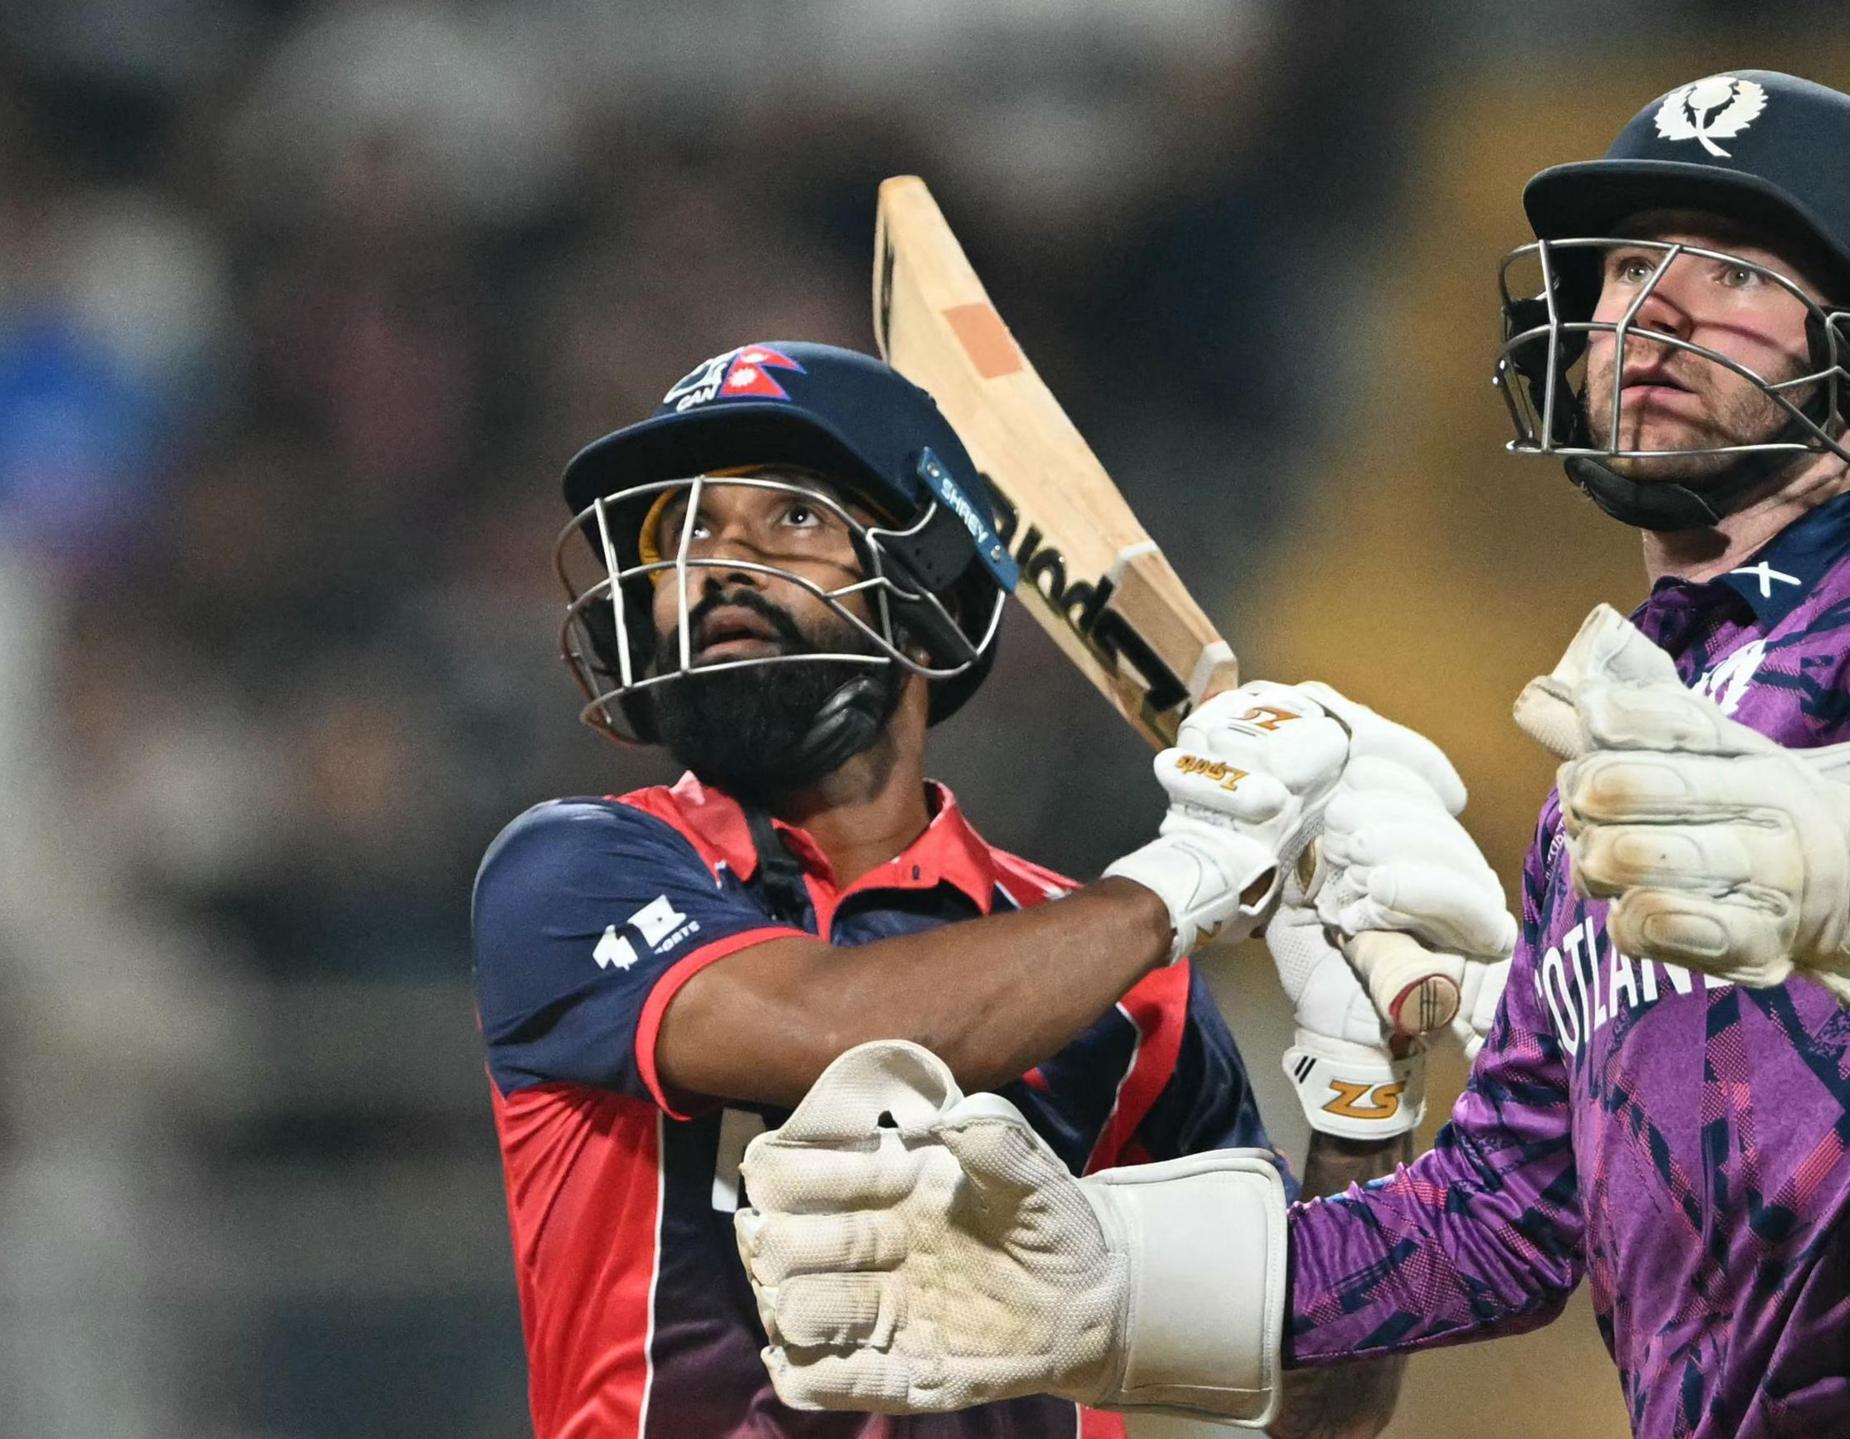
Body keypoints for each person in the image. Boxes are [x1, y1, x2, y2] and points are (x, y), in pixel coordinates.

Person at [732, 73, 1850, 1439]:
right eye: (1626, 269)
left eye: (1736, 272)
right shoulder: (1600, 793)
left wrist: (1848, 853)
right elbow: (1498, 1221)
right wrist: (1109, 1282)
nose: (1653, 310)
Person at [473, 340, 1510, 1437]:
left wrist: (1358, 1101)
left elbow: (1314, 1408)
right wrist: (1190, 872)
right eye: (681, 532)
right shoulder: (573, 869)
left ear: (931, 574)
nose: (718, 560)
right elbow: (838, 1032)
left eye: (791, 516)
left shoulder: (1126, 986)